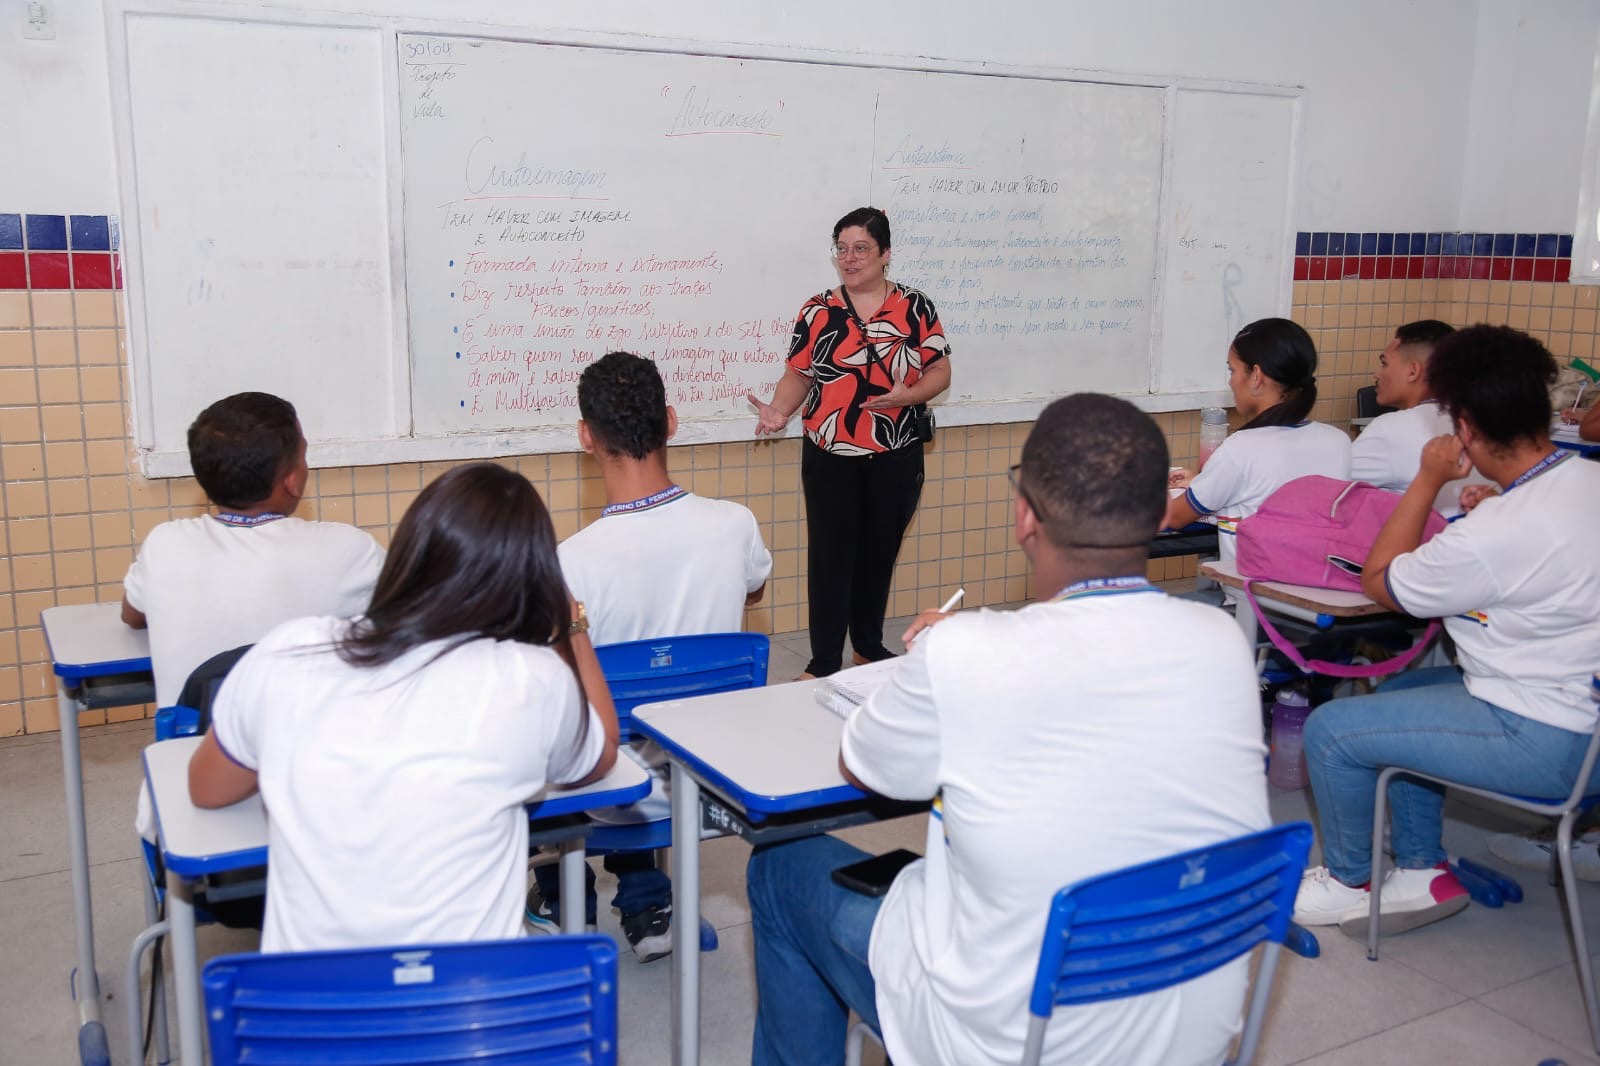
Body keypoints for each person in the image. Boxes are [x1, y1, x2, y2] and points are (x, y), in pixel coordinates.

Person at [746, 394, 1269, 1066]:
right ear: (1159, 515)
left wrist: (933, 661)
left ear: (1026, 516)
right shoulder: (1221, 642)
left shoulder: (967, 652)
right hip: (1182, 1038)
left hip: (1003, 1043)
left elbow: (865, 763)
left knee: (780, 866)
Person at [187, 462, 619, 952]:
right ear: (532, 579)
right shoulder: (533, 678)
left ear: (410, 550)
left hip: (309, 1018)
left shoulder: (291, 650)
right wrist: (573, 622)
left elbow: (206, 789)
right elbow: (602, 753)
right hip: (478, 1012)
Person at [1292, 325, 1600, 936]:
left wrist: (1430, 480)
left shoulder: (1492, 533)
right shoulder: (1585, 483)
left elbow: (1382, 582)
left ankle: (1349, 882)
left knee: (1330, 730)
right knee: (1404, 697)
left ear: (1462, 428)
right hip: (1588, 727)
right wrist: (1499, 510)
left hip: (1545, 743)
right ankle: (1420, 871)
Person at [526, 351, 772, 961]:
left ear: (586, 436)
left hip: (617, 791)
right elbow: (754, 587)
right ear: (671, 420)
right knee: (654, 714)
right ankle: (646, 898)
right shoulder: (733, 524)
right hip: (719, 776)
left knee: (567, 711)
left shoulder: (571, 562)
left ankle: (563, 895)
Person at [123, 392, 385, 841]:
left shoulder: (165, 545)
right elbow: (408, 618)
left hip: (194, 804)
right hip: (321, 802)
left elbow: (133, 615)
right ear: (291, 481)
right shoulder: (347, 551)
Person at [747, 206, 951, 678]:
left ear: (885, 254)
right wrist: (780, 411)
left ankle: (867, 646)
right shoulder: (818, 310)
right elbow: (799, 372)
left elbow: (940, 370)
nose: (850, 258)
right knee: (830, 559)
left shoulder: (915, 307)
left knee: (878, 554)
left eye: (861, 249)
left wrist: (910, 394)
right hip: (829, 452)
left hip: (896, 451)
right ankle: (822, 662)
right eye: (842, 248)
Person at [1164, 318, 1351, 571]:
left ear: (1256, 376)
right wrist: (1202, 481)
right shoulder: (1337, 442)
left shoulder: (1240, 448)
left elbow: (1175, 516)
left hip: (1250, 600)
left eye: (1233, 371)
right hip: (1315, 591)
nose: (1230, 382)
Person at [1350, 319, 1492, 514]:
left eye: (1384, 364)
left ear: (1413, 371)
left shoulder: (1391, 429)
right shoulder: (1484, 420)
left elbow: (1331, 489)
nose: (1377, 374)